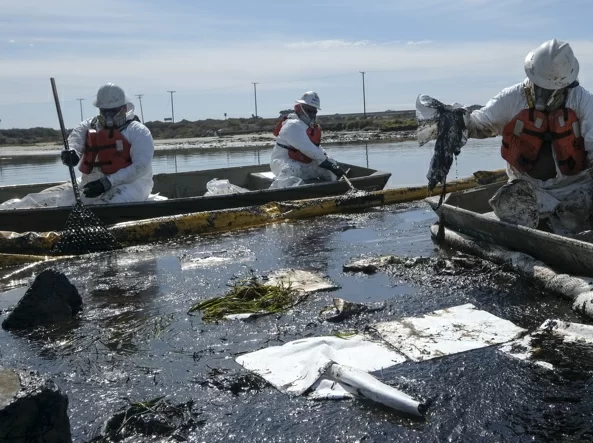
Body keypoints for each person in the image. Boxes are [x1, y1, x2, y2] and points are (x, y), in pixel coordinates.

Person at [450, 39, 593, 235]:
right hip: (527, 189)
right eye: (541, 85)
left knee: (580, 219)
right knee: (510, 204)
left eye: (552, 87)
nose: (545, 92)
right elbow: (481, 124)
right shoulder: (512, 97)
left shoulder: (584, 102)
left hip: (575, 189)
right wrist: (460, 121)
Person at [60, 82, 155, 204]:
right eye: (104, 111)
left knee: (108, 204)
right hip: (94, 183)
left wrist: (107, 183)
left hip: (133, 184)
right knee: (66, 202)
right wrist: (71, 152)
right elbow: (75, 139)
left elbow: (141, 166)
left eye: (113, 111)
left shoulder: (138, 131)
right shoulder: (88, 126)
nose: (108, 115)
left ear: (124, 108)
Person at [270, 91, 346, 188]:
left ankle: (335, 187)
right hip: (283, 161)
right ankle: (284, 192)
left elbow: (317, 148)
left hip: (302, 161)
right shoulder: (292, 125)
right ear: (300, 108)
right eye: (309, 110)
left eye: (314, 111)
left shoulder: (309, 127)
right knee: (292, 168)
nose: (312, 114)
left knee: (330, 163)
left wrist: (330, 162)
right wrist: (325, 162)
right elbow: (308, 148)